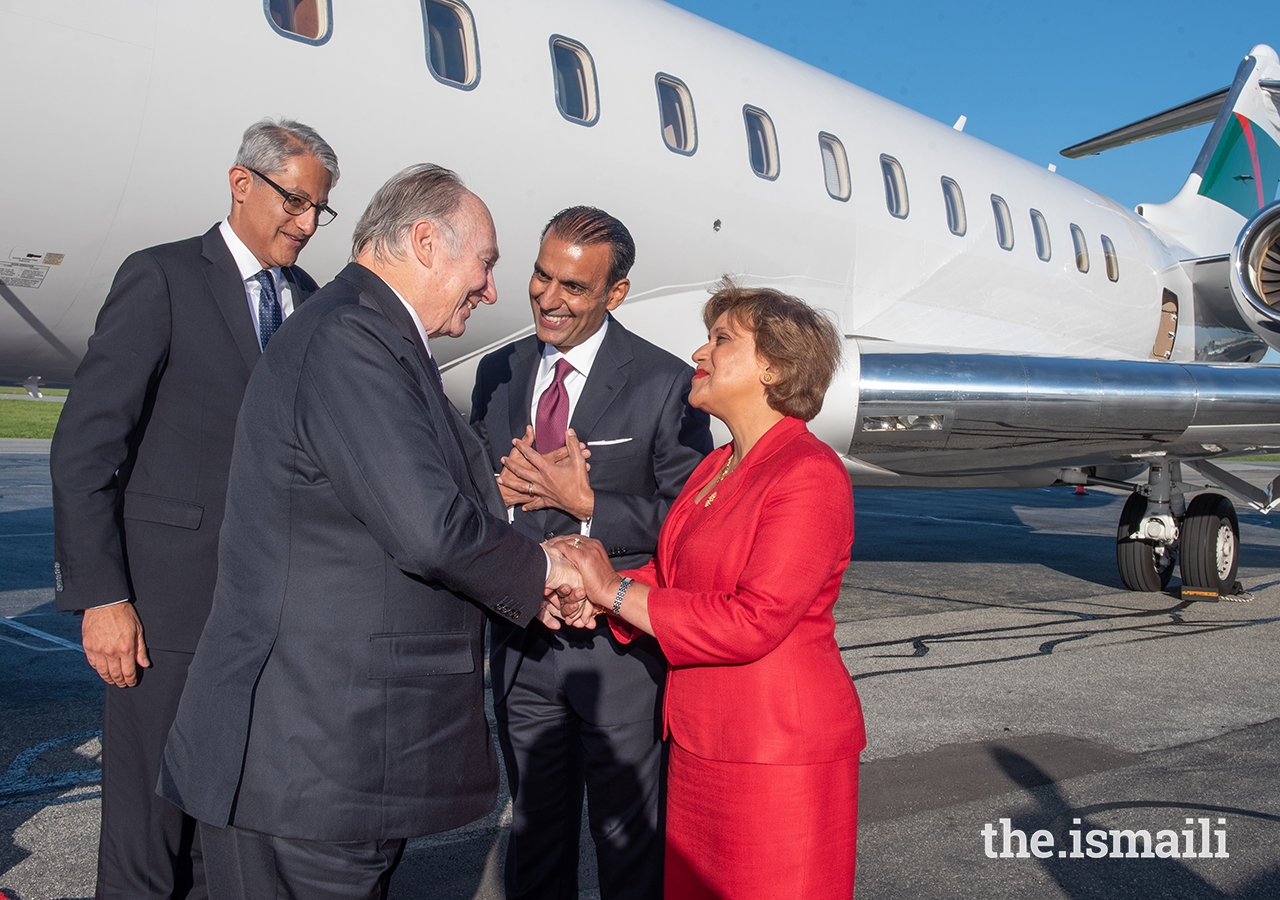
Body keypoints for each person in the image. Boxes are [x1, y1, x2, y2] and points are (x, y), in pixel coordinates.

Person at [157, 164, 591, 900]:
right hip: (310, 763)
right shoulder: (351, 336)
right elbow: (427, 525)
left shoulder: (369, 332)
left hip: (331, 761)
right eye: (483, 263)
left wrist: (524, 563)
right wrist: (543, 571)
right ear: (425, 242)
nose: (489, 288)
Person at [49, 117, 338, 899]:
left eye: (320, 210)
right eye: (296, 202)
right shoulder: (164, 277)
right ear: (242, 183)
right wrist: (103, 598)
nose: (307, 224)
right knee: (147, 835)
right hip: (164, 614)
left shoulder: (309, 301)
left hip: (266, 620)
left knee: (228, 828)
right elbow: (85, 449)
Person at [559, 283, 866, 900]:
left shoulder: (808, 474)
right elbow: (675, 584)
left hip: (776, 756)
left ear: (773, 367)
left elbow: (753, 620)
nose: (700, 353)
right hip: (704, 746)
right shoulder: (715, 465)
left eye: (722, 339)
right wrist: (590, 591)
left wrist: (615, 591)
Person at [470, 207, 712, 900]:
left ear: (615, 293)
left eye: (573, 288)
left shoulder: (663, 383)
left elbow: (688, 520)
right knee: (536, 838)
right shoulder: (498, 371)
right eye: (541, 276)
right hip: (524, 639)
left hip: (619, 654)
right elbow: (480, 496)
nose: (549, 298)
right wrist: (505, 502)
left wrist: (589, 508)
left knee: (627, 841)